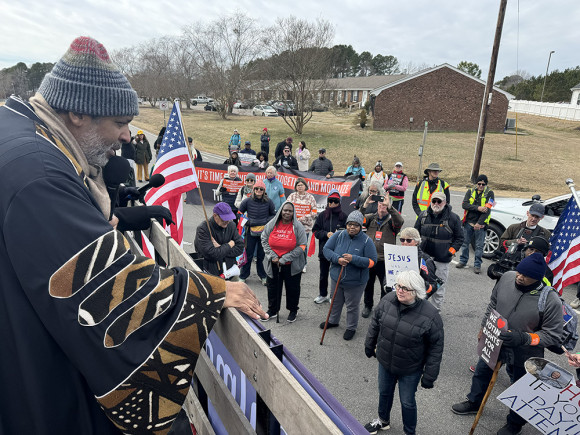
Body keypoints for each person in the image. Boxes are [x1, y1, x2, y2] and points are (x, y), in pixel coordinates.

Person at [0, 36, 265, 434]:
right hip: (38, 386)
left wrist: (116, 217)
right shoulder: (39, 174)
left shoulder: (21, 126)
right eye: (120, 123)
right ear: (77, 112)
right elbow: (108, 290)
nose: (127, 136)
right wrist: (211, 291)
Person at [452, 253, 563, 435]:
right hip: (496, 340)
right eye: (519, 272)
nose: (519, 277)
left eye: (525, 276)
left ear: (537, 278)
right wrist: (484, 326)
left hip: (525, 350)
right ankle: (474, 401)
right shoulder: (507, 278)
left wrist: (525, 338)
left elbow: (552, 335)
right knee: (481, 372)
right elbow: (493, 303)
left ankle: (514, 424)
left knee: (522, 388)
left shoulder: (551, 300)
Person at [364, 270, 444, 435]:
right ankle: (382, 420)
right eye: (398, 286)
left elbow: (436, 347)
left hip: (410, 369)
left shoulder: (431, 315)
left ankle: (409, 432)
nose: (399, 290)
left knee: (407, 402)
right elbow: (375, 323)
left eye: (405, 288)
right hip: (386, 362)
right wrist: (369, 343)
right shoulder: (387, 300)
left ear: (416, 292)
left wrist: (430, 375)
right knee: (384, 393)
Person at [321, 211, 378, 340]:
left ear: (361, 227)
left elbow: (372, 262)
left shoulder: (367, 241)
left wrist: (354, 259)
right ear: (346, 225)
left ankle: (351, 327)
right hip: (337, 277)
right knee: (335, 301)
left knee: (352, 306)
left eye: (356, 225)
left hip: (356, 282)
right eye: (350, 224)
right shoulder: (338, 235)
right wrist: (337, 259)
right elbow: (326, 249)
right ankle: (333, 321)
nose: (352, 227)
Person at [414, 192, 463, 312]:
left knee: (439, 288)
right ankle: (418, 310)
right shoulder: (423, 215)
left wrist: (450, 251)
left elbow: (460, 238)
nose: (436, 204)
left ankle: (435, 312)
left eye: (439, 201)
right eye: (434, 201)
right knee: (420, 284)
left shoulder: (453, 218)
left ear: (445, 203)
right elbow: (415, 234)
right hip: (424, 260)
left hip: (441, 260)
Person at [261, 201, 307, 322]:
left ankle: (293, 310)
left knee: (293, 288)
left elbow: (302, 246)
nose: (287, 213)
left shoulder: (298, 227)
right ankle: (272, 310)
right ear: (281, 211)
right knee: (272, 287)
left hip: (291, 265)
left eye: (290, 211)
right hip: (273, 263)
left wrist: (285, 258)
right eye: (285, 210)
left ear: (293, 213)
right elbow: (264, 239)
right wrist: (273, 256)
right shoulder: (272, 224)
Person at [362, 196, 404, 318]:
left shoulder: (392, 221)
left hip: (385, 260)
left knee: (385, 287)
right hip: (370, 258)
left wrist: (390, 208)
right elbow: (357, 219)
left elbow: (400, 221)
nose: (382, 206)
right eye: (380, 204)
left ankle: (382, 308)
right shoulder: (371, 218)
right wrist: (364, 205)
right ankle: (367, 305)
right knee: (368, 284)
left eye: (385, 204)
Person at [312, 190, 348, 304]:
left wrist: (340, 234)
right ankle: (322, 294)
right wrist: (326, 234)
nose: (332, 203)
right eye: (330, 201)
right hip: (324, 251)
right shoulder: (322, 215)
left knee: (336, 275)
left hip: (338, 252)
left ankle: (334, 295)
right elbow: (315, 231)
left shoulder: (344, 216)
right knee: (323, 274)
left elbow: (349, 233)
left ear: (339, 202)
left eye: (335, 201)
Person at [238, 180, 276, 285]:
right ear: (253, 190)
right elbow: (239, 213)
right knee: (248, 255)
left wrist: (265, 222)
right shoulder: (247, 201)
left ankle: (263, 276)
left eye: (261, 189)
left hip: (264, 234)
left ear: (264, 191)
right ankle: (243, 276)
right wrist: (248, 222)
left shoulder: (269, 201)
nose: (258, 191)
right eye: (256, 189)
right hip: (250, 233)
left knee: (261, 256)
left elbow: (273, 215)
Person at [456, 174, 495, 274]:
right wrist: (478, 208)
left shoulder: (490, 194)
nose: (481, 186)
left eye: (483, 184)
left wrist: (479, 223)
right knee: (465, 244)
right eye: (479, 184)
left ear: (486, 184)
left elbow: (487, 210)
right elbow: (464, 205)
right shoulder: (470, 191)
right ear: (476, 183)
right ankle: (463, 261)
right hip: (468, 222)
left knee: (479, 246)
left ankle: (477, 265)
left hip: (481, 225)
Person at [194, 202, 244, 278]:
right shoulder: (203, 229)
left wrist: (220, 248)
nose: (227, 221)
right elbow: (212, 254)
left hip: (231, 270)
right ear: (215, 216)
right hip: (210, 272)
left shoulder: (231, 225)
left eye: (229, 218)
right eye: (224, 219)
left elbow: (240, 247)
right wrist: (229, 245)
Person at [287, 178, 318, 272]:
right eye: (298, 185)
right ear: (296, 187)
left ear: (305, 186)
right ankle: (291, 261)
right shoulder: (292, 196)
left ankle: (303, 264)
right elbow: (286, 208)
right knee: (291, 245)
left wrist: (302, 218)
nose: (300, 187)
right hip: (292, 225)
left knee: (303, 246)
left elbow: (314, 212)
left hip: (306, 227)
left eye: (302, 185)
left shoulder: (310, 198)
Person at [399, 227, 439, 298]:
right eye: (402, 240)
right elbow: (388, 274)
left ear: (417, 242)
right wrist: (386, 285)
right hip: (398, 294)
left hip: (415, 299)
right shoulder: (396, 255)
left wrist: (423, 286)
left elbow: (432, 285)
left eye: (409, 240)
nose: (405, 242)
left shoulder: (425, 260)